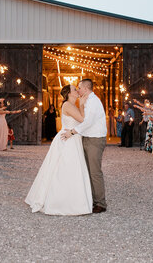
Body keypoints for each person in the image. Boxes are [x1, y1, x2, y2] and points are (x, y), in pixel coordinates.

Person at [25, 85, 93, 215]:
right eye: (75, 90)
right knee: (65, 168)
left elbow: (81, 120)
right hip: (68, 140)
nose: (77, 91)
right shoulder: (67, 105)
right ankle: (60, 201)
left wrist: (81, 105)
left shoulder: (72, 105)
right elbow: (83, 120)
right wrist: (83, 105)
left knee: (73, 168)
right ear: (69, 94)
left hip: (73, 137)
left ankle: (75, 199)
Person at [61, 79, 108, 213]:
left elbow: (87, 122)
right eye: (76, 89)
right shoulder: (85, 100)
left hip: (95, 139)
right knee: (87, 170)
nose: (78, 90)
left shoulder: (93, 101)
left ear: (86, 89)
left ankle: (100, 203)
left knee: (94, 172)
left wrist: (72, 132)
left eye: (79, 88)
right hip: (86, 138)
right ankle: (91, 199)